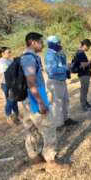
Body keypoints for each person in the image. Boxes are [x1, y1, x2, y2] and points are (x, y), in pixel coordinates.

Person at [21, 32, 67, 169]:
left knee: (32, 128)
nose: (42, 44)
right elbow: (31, 82)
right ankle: (51, 161)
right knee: (48, 128)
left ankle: (34, 157)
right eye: (40, 42)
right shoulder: (29, 59)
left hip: (28, 98)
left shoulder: (26, 57)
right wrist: (40, 102)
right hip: (35, 98)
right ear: (33, 42)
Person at [45, 35, 78, 130]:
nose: (60, 44)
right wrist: (65, 68)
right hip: (55, 82)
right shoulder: (50, 55)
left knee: (65, 101)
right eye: (58, 43)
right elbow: (52, 70)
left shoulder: (57, 53)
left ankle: (65, 119)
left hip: (61, 81)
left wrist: (63, 57)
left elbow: (61, 65)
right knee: (56, 104)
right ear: (52, 44)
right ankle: (58, 124)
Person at [0, 47, 20, 125]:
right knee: (10, 100)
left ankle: (16, 116)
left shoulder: (9, 60)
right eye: (8, 52)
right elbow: (7, 71)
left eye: (10, 52)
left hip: (13, 83)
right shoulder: (1, 62)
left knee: (14, 100)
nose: (10, 53)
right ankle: (8, 116)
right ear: (2, 53)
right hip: (6, 84)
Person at [74, 39, 91, 111]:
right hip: (83, 74)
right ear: (85, 45)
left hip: (84, 74)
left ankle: (85, 102)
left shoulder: (80, 52)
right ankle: (84, 106)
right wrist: (90, 61)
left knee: (85, 89)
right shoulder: (80, 53)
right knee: (84, 90)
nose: (88, 48)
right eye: (88, 46)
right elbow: (83, 65)